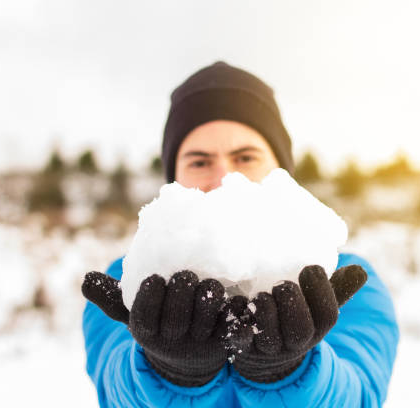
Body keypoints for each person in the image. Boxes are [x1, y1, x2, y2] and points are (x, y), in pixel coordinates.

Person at [81, 61, 399, 407]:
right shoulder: (130, 282)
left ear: (282, 173)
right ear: (173, 182)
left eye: (245, 157)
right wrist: (169, 376)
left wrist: (288, 375)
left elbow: (361, 396)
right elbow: (113, 393)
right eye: (199, 162)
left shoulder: (337, 283)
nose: (223, 178)